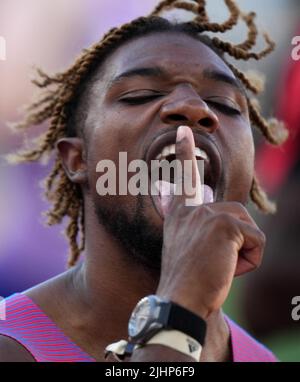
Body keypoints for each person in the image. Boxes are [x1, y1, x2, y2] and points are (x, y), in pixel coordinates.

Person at [0, 0, 288, 362]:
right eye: (141, 95)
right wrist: (182, 307)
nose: (194, 108)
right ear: (77, 159)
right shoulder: (11, 344)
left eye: (225, 103)